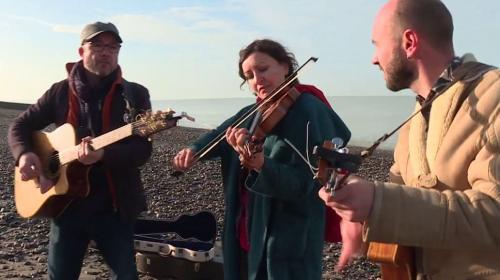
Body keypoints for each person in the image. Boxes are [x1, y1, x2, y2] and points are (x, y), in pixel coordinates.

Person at [318, 0, 500, 279]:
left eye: (377, 44)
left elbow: (493, 213)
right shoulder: (416, 119)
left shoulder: (493, 97)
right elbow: (405, 201)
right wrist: (362, 218)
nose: (374, 59)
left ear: (410, 42)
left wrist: (377, 203)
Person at [172, 39, 351, 280]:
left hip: (287, 236)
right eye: (249, 75)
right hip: (247, 229)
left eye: (263, 69)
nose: (257, 79)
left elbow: (307, 185)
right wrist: (193, 150)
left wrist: (261, 165)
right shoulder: (256, 111)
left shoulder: (310, 110)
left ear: (286, 67)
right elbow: (218, 135)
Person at [8, 22, 153, 279]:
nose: (107, 52)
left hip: (115, 207)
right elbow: (20, 125)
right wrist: (25, 155)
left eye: (113, 46)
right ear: (81, 51)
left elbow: (142, 150)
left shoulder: (134, 94)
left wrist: (104, 155)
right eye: (98, 45)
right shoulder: (59, 92)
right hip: (66, 206)